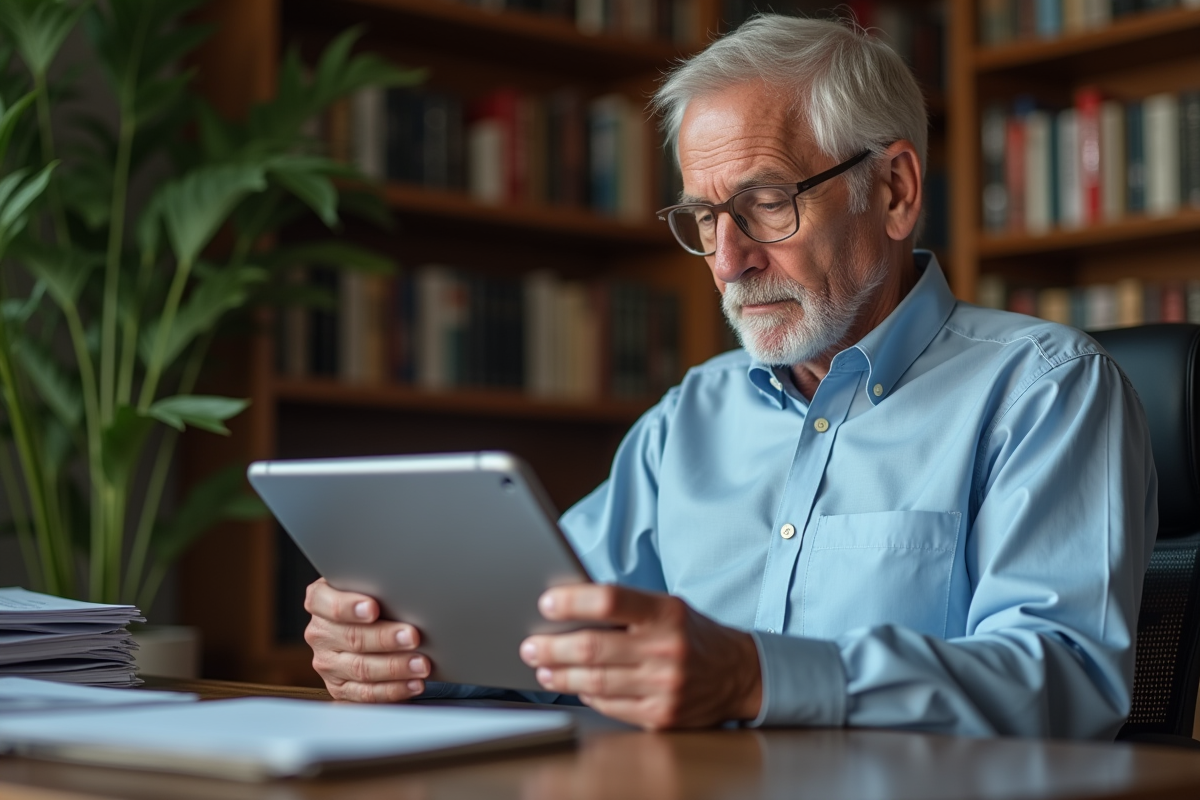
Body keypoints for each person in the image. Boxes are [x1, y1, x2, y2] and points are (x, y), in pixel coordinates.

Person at [302, 15, 1157, 737]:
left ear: (894, 190)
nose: (728, 260)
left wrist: (756, 677)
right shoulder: (689, 419)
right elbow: (549, 630)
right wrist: (407, 651)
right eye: (704, 217)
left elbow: (1066, 680)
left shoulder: (1046, 390)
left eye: (765, 203)